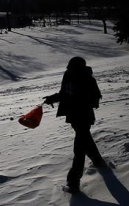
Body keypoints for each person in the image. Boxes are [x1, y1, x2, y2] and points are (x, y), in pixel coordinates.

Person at [43, 56, 105, 193]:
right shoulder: (69, 77)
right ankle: (99, 162)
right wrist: (52, 98)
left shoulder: (87, 79)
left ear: (77, 67)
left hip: (83, 117)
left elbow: (95, 99)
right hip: (74, 117)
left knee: (79, 149)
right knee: (86, 141)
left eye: (71, 66)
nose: (68, 68)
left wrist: (82, 102)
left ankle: (73, 182)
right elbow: (65, 94)